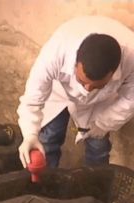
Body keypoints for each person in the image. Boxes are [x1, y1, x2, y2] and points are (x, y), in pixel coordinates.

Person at [17, 15, 134, 168]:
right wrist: (30, 134)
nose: (87, 90)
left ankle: (94, 187)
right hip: (59, 92)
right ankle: (45, 187)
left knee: (98, 147)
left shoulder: (131, 59)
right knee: (48, 139)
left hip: (102, 101)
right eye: (82, 81)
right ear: (76, 63)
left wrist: (104, 124)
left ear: (113, 73)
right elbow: (32, 99)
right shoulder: (57, 51)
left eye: (95, 86)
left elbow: (130, 100)